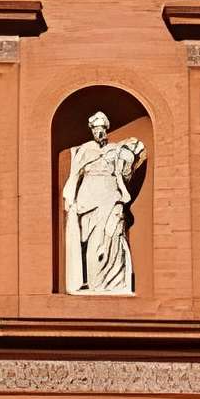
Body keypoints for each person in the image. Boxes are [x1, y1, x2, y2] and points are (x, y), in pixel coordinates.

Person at [61, 110, 146, 295]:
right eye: (95, 129)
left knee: (111, 237)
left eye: (101, 128)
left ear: (106, 129)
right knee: (90, 241)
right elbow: (75, 174)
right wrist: (70, 196)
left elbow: (131, 162)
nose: (99, 133)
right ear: (91, 130)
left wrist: (129, 154)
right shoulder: (84, 149)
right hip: (87, 199)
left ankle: (112, 281)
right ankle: (93, 281)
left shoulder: (115, 149)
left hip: (110, 197)